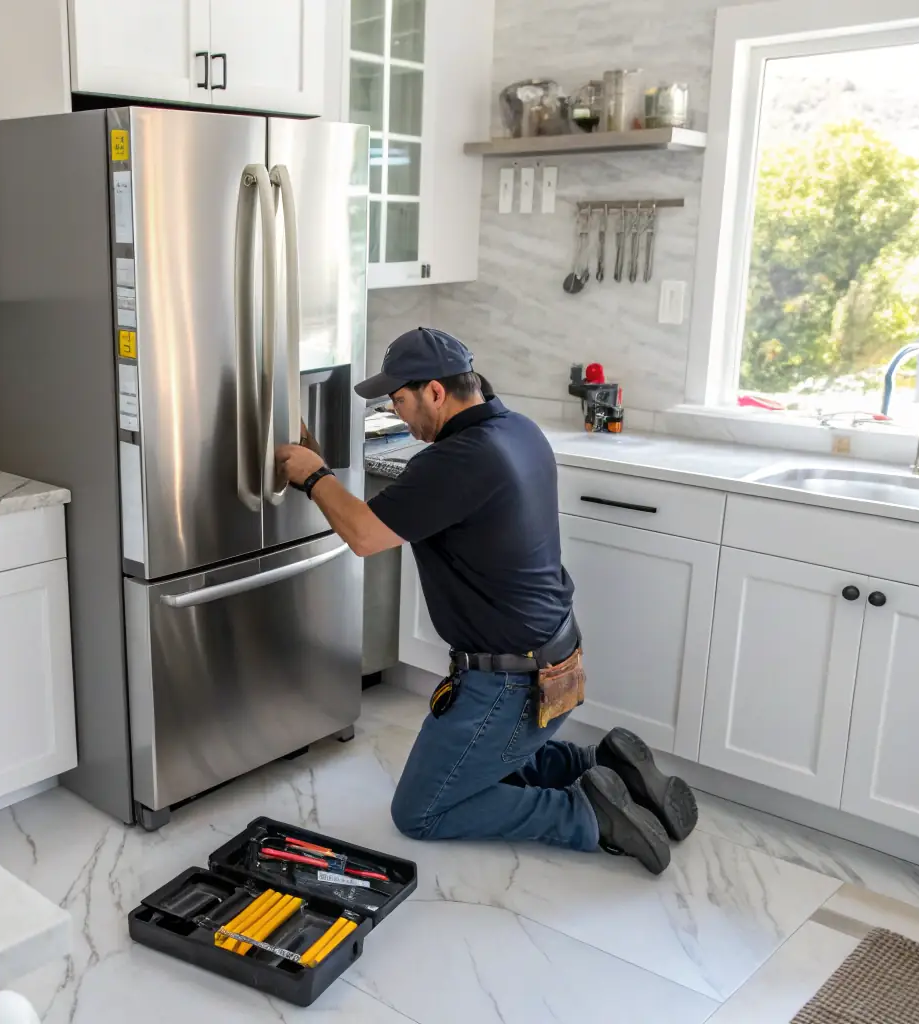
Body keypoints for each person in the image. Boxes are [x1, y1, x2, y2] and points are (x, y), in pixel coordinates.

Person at [275, 328, 698, 874]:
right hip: (557, 662)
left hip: (509, 685)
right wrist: (322, 471)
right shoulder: (518, 431)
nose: (399, 415)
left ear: (433, 392)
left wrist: (315, 478)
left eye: (399, 401)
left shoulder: (455, 461)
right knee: (478, 766)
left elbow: (364, 536)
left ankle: (586, 814)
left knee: (421, 810)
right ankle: (602, 763)